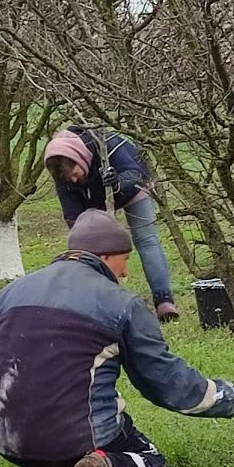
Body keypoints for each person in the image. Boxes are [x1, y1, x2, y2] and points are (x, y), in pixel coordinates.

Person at [0, 209, 234, 467]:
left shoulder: (12, 291)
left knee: (37, 419)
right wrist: (233, 397)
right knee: (149, 457)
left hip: (4, 438)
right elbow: (165, 383)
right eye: (125, 260)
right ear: (105, 257)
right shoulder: (122, 305)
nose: (125, 272)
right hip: (76, 440)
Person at [43, 126, 180, 321]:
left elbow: (135, 173)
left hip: (132, 189)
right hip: (94, 201)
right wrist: (82, 239)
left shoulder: (107, 143)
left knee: (146, 240)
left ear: (80, 159)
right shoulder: (61, 170)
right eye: (69, 179)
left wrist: (117, 184)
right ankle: (103, 303)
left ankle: (164, 301)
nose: (73, 180)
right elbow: (72, 214)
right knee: (91, 251)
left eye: (75, 173)